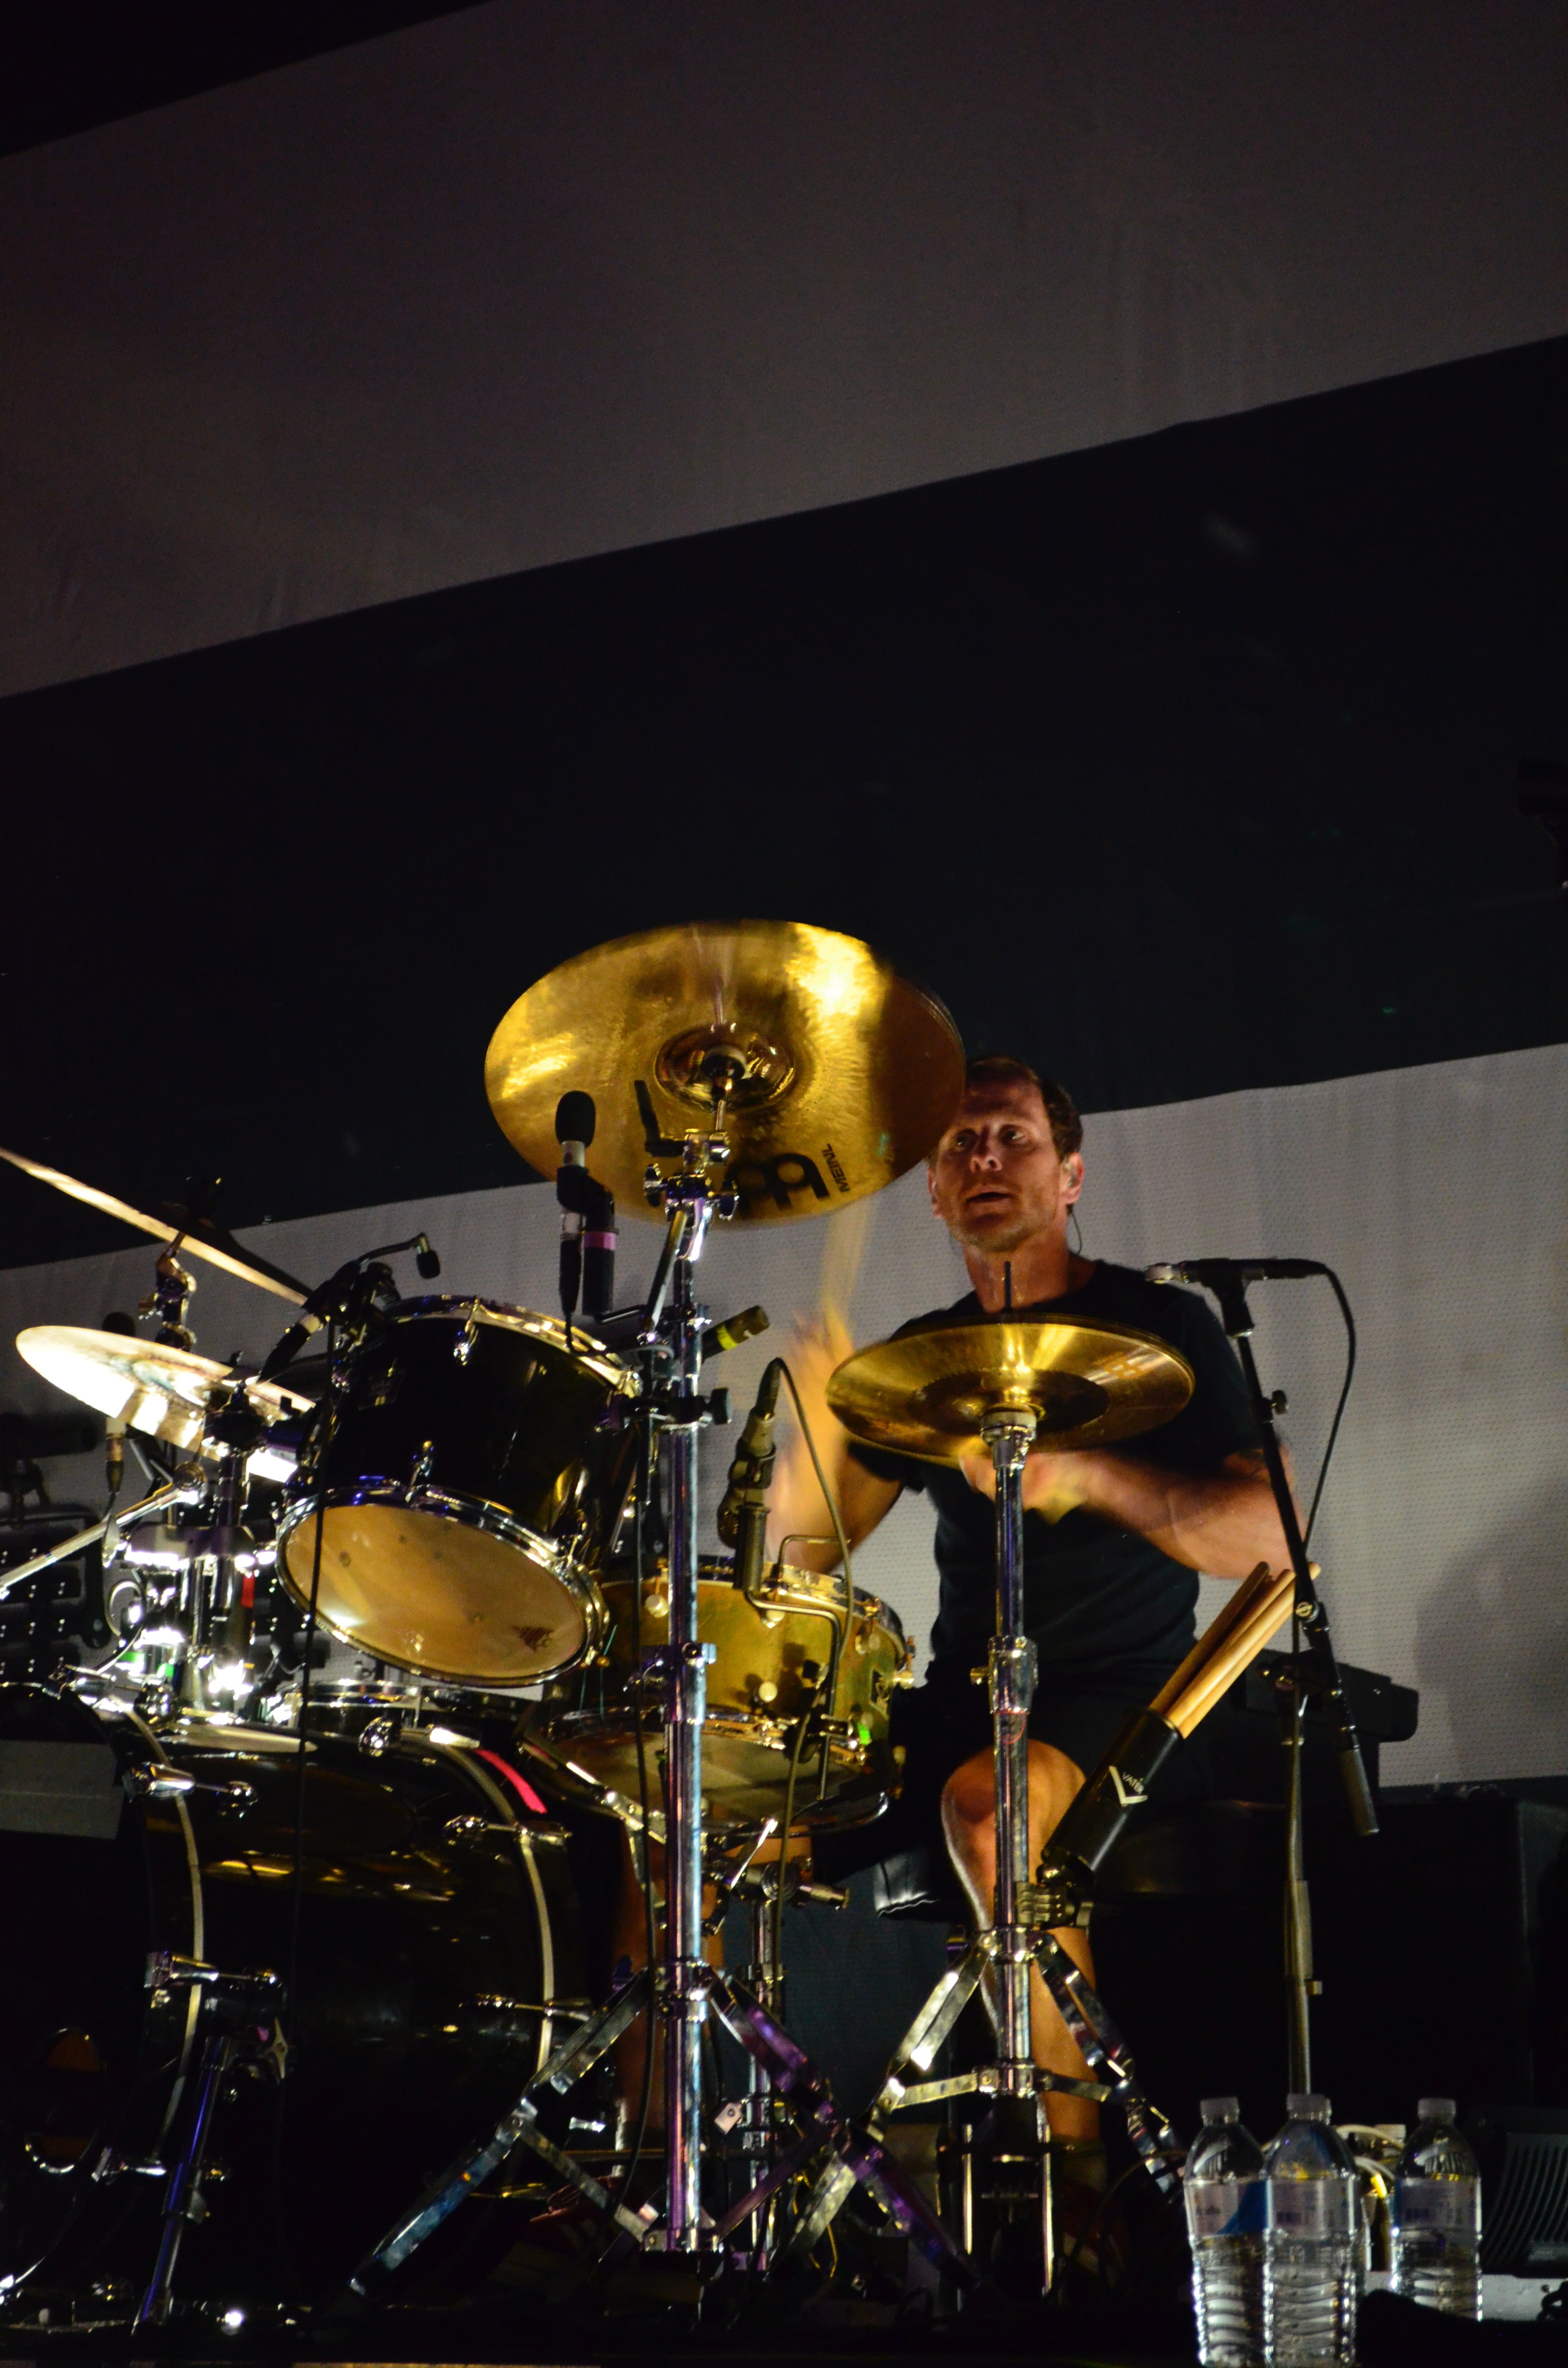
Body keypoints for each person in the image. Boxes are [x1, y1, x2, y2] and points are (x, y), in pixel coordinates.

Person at [771, 1056, 1289, 2155]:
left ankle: (1080, 2183)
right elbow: (805, 1550)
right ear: (933, 1189)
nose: (985, 1156)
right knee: (697, 1817)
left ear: (1071, 1176)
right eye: (960, 1143)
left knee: (989, 1811)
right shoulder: (924, 1358)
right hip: (961, 1699)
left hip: (1129, 1702)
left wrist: (1090, 1474)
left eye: (1013, 1135)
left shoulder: (1160, 1324)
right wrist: (810, 1429)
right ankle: (672, 2174)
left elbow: (1271, 1541)